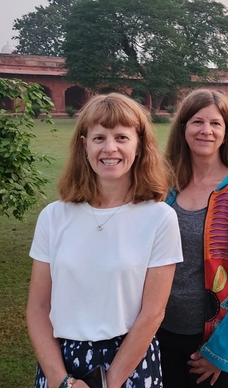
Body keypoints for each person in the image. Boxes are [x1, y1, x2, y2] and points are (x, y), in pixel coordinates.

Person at [26, 93, 182, 388]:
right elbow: (37, 307)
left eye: (122, 137)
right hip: (62, 363)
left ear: (139, 145)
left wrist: (107, 383)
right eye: (99, 138)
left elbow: (152, 313)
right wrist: (63, 381)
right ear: (84, 145)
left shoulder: (159, 218)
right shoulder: (53, 217)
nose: (110, 148)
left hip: (128, 364)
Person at [159, 89, 228, 387]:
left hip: (215, 338)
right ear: (183, 127)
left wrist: (222, 351)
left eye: (215, 123)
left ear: (226, 131)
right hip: (161, 332)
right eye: (197, 122)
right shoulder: (164, 188)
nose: (206, 131)